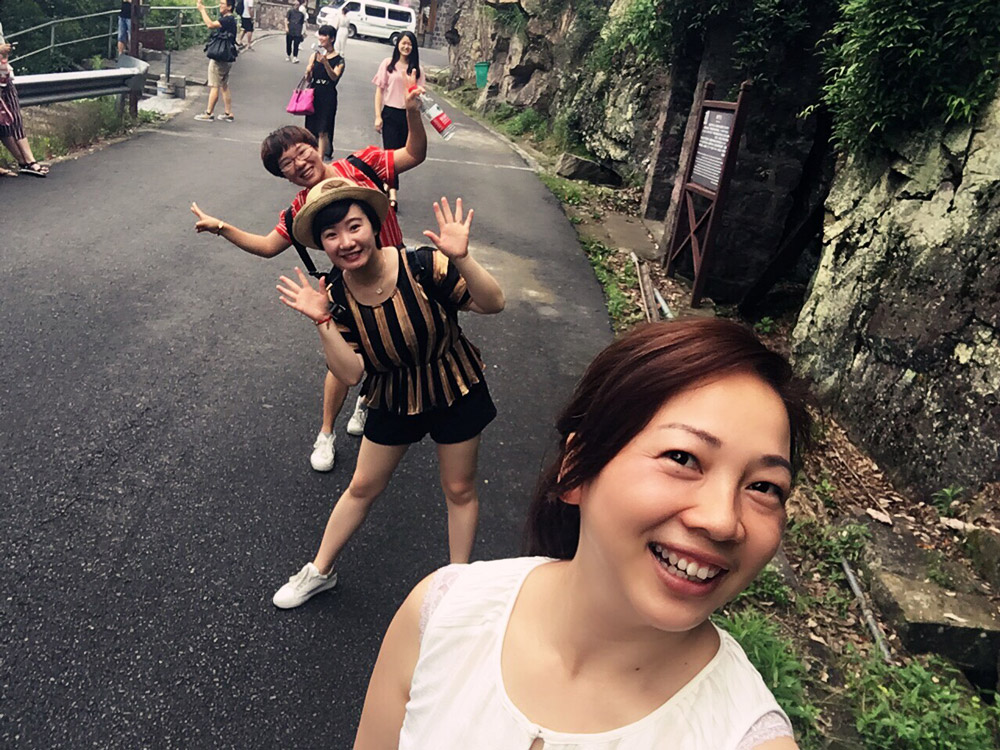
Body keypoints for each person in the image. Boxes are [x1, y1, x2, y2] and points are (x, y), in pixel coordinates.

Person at [354, 318, 809, 749]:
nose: (723, 520)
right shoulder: (441, 613)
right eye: (683, 458)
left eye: (764, 487)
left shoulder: (745, 737)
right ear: (576, 470)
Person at [271, 179, 505, 609]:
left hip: (455, 384)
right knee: (362, 486)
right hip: (393, 394)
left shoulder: (422, 265)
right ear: (323, 245)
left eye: (354, 226)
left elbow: (493, 303)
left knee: (458, 488)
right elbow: (351, 372)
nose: (346, 241)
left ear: (374, 226)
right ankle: (319, 571)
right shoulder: (334, 296)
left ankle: (456, 582)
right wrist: (322, 322)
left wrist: (462, 259)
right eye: (331, 234)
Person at [188, 89, 427, 470]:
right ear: (283, 176)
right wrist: (221, 227)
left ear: (315, 145)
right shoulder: (300, 209)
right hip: (353, 287)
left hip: (400, 275)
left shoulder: (363, 164)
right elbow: (268, 246)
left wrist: (412, 112)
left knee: (397, 345)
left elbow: (413, 153)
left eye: (302, 152)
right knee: (342, 361)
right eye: (287, 164)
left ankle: (368, 402)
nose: (299, 163)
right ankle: (326, 433)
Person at [372, 31, 424, 211]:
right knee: (390, 154)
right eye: (403, 43)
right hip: (390, 113)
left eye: (409, 44)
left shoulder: (417, 69)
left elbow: (420, 95)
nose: (406, 47)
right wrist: (378, 116)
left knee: (402, 154)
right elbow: (379, 91)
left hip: (408, 115)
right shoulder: (388, 64)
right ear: (398, 44)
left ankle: (386, 185)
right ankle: (392, 195)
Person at [0, 41, 48, 177]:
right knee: (3, 125)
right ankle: (24, 161)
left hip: (3, 77)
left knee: (13, 119)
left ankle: (29, 161)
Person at [304, 25, 343, 160]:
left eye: (324, 35)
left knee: (323, 129)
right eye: (320, 35)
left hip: (328, 95)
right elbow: (308, 79)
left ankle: (320, 159)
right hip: (314, 93)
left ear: (331, 39)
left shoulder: (339, 60)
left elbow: (334, 77)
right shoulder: (314, 56)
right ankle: (310, 155)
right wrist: (308, 71)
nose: (321, 38)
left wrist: (326, 63)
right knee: (310, 128)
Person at [195, 0, 237, 122]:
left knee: (214, 85)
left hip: (220, 57)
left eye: (222, 3)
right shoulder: (231, 20)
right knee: (224, 85)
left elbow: (210, 25)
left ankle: (209, 113)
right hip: (227, 56)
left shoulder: (227, 20)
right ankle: (228, 113)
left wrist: (202, 10)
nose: (220, 5)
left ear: (229, 7)